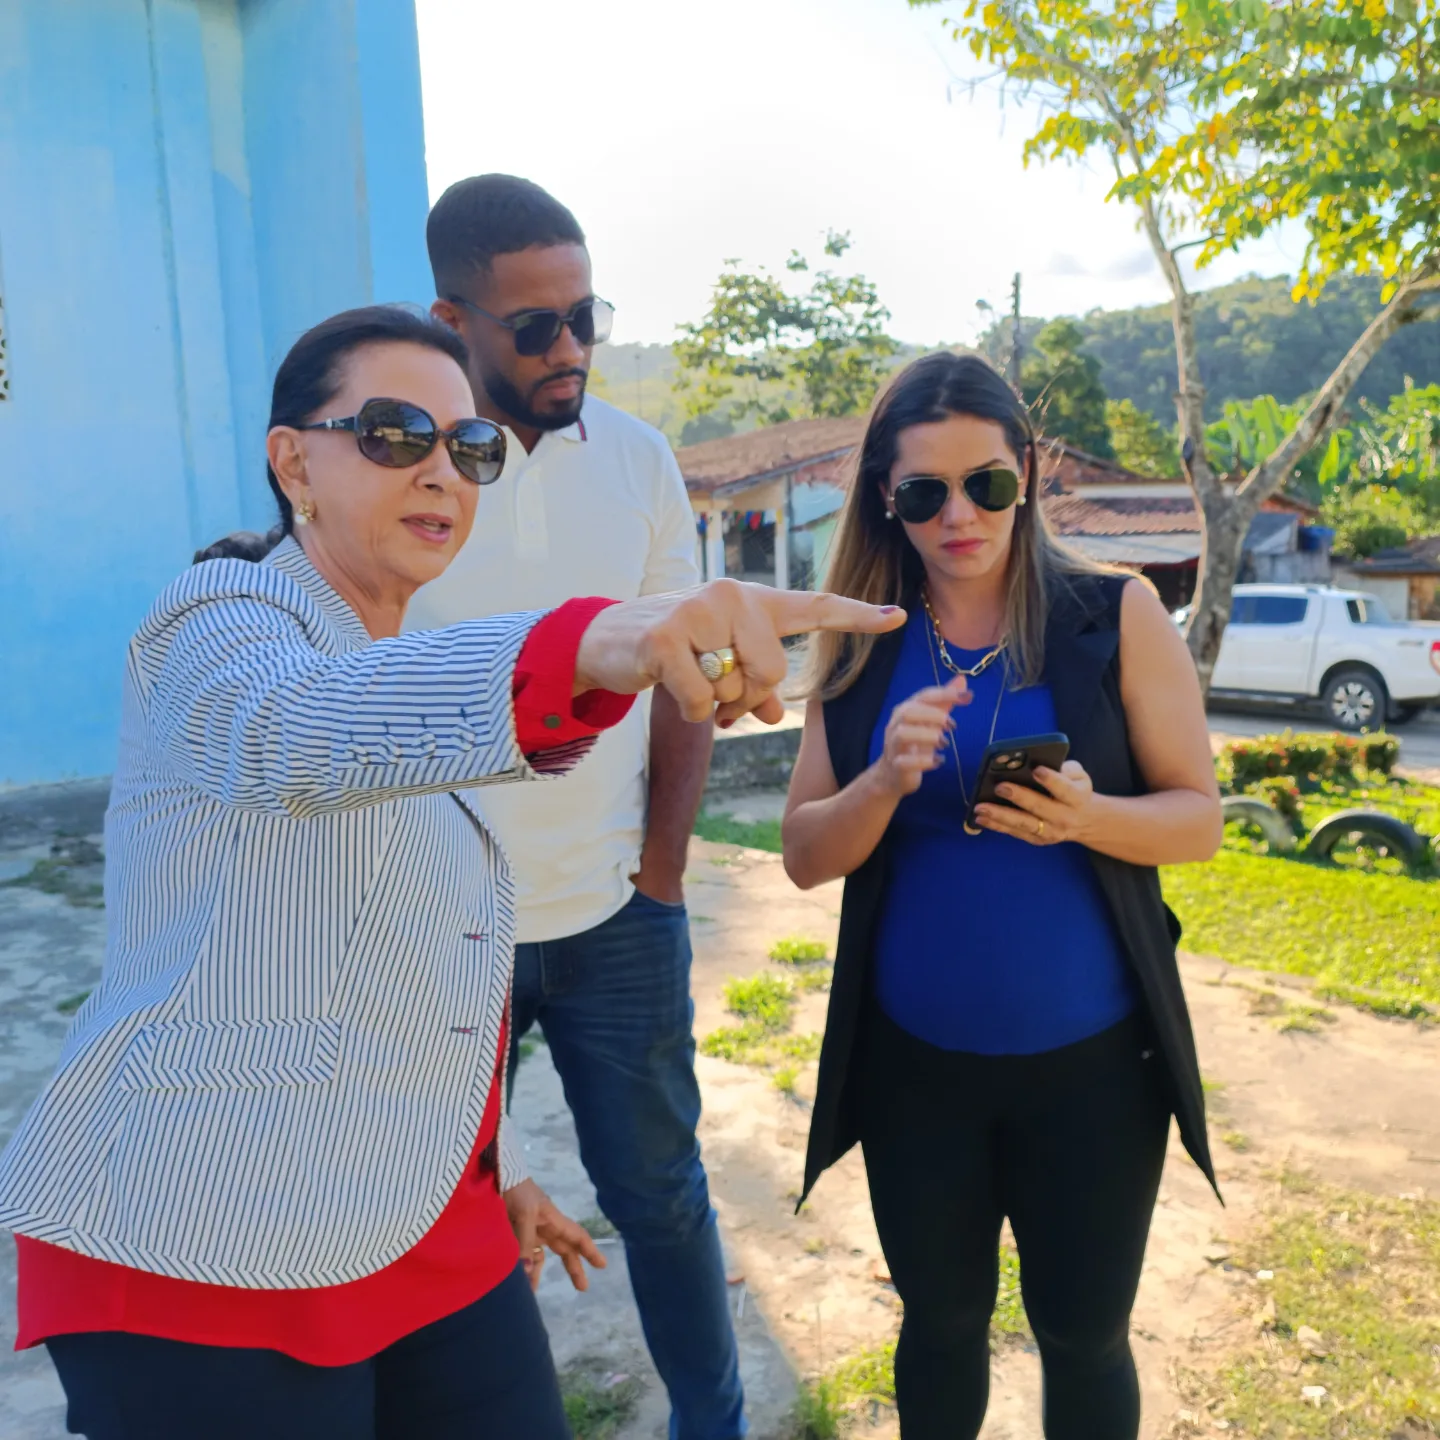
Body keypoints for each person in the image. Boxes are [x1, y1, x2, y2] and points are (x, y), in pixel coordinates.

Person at [0, 303, 901, 1440]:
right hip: (209, 1240)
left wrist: (499, 1163)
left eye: (469, 449)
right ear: (293, 461)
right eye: (391, 434)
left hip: (432, 1212)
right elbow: (294, 731)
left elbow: (427, 961)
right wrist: (594, 642)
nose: (442, 472)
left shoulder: (397, 657)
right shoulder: (220, 619)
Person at [781, 351, 1223, 1440]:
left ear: (1026, 471)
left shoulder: (1114, 616)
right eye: (924, 493)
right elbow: (803, 852)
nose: (959, 516)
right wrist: (884, 778)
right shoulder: (862, 642)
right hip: (914, 1073)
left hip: (1094, 1076)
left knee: (1080, 1335)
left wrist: (1089, 818)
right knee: (939, 1326)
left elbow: (1200, 819)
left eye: (986, 483)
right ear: (889, 497)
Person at [407, 175, 745, 1439]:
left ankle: (713, 1427)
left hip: (615, 916)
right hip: (442, 931)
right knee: (431, 1207)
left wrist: (661, 877)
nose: (571, 351)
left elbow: (689, 682)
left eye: (585, 315)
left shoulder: (643, 461)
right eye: (534, 328)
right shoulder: (415, 471)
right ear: (455, 324)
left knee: (661, 1195)